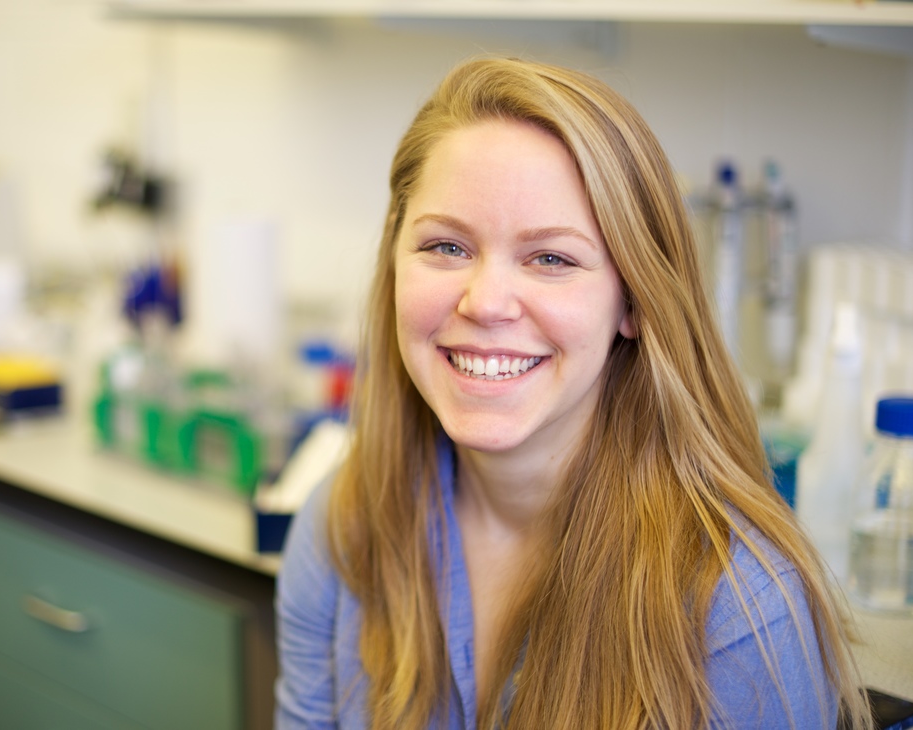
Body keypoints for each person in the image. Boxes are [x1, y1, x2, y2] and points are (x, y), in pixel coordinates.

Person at [275, 57, 871, 729]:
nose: (487, 302)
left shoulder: (738, 610)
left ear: (636, 300)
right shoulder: (343, 527)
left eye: (551, 258)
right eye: (446, 247)